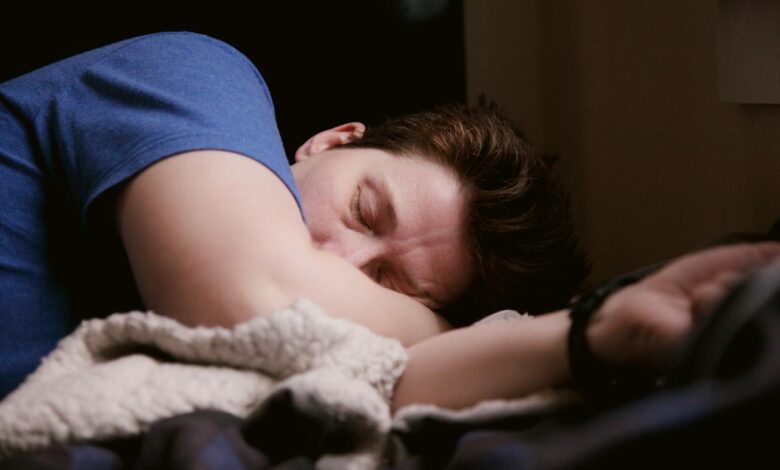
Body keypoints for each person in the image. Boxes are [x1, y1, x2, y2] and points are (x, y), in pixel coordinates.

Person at [0, 32, 777, 410]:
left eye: (387, 283)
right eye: (364, 208)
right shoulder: (197, 74)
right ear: (333, 140)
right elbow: (257, 303)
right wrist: (485, 332)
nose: (333, 258)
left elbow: (371, 369)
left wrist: (607, 331)